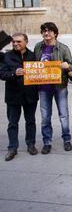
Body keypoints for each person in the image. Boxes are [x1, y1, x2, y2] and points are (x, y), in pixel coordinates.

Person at [34, 22, 72, 154]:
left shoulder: (63, 48)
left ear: (55, 33)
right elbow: (33, 65)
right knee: (45, 116)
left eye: (49, 31)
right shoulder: (38, 47)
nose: (46, 33)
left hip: (59, 86)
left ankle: (67, 140)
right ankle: (47, 142)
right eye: (44, 31)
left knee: (63, 114)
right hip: (43, 87)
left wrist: (67, 66)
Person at [0, 33, 38, 161]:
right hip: (13, 96)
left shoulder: (33, 56)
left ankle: (31, 144)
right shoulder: (7, 56)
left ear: (26, 42)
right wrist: (13, 73)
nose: (15, 44)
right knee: (12, 123)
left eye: (19, 42)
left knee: (31, 121)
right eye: (14, 42)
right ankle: (12, 148)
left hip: (30, 95)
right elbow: (2, 74)